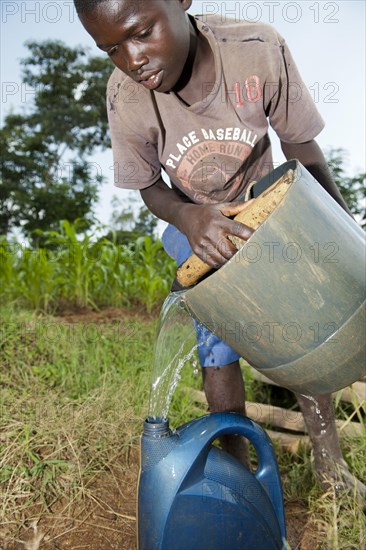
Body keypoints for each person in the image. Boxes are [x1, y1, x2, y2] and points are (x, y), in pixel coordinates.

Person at [74, 0, 365, 498]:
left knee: (299, 324)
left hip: (266, 211)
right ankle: (239, 477)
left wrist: (346, 231)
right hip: (195, 225)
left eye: (141, 32)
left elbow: (300, 146)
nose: (132, 59)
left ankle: (331, 468)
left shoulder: (255, 50)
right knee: (218, 353)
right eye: (111, 50)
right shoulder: (126, 96)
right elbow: (149, 187)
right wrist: (189, 217)